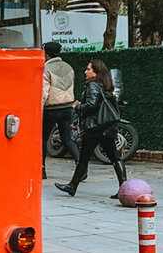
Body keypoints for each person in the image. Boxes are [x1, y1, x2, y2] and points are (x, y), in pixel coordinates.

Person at [55, 59, 127, 197]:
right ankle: (123, 188)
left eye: (89, 69)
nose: (85, 72)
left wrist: (77, 107)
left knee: (84, 158)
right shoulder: (106, 85)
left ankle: (72, 186)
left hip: (95, 128)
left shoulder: (93, 85)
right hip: (107, 127)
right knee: (114, 157)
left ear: (96, 72)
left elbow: (92, 105)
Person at [41, 41, 79, 179]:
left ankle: (42, 170)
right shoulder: (69, 67)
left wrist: (39, 108)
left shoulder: (46, 69)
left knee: (43, 139)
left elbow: (44, 91)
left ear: (47, 53)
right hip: (67, 107)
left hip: (51, 108)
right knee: (67, 139)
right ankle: (81, 167)